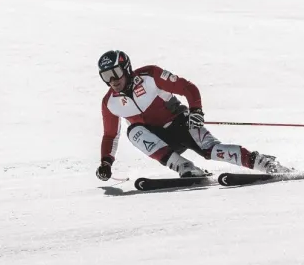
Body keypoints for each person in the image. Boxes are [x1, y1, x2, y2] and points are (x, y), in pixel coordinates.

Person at [94, 50, 290, 181]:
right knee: (133, 132)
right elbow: (110, 136)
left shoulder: (150, 75)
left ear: (126, 68)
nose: (112, 80)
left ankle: (262, 162)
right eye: (105, 76)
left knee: (213, 151)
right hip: (160, 141)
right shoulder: (110, 102)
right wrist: (105, 162)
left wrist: (196, 111)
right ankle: (185, 168)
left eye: (115, 72)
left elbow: (187, 87)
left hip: (181, 123)